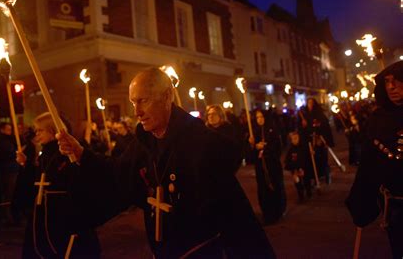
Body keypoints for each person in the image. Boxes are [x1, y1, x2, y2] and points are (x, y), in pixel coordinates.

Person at [57, 67, 275, 258]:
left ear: (168, 96)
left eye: (143, 100)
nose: (137, 111)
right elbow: (118, 172)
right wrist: (82, 154)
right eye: (134, 102)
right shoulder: (144, 143)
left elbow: (233, 216)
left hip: (202, 251)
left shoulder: (201, 143)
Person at [22, 113, 101, 259]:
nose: (37, 134)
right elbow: (37, 177)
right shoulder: (44, 153)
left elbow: (76, 181)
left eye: (41, 130)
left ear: (53, 131)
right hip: (43, 210)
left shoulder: (64, 152)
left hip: (62, 213)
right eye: (36, 130)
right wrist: (26, 164)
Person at [346, 60, 403, 258]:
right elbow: (369, 166)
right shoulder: (379, 120)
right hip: (396, 206)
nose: (391, 87)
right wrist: (362, 199)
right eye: (387, 82)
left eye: (397, 81)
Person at [247, 110, 287, 224]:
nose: (259, 119)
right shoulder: (254, 132)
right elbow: (249, 156)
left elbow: (278, 149)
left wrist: (266, 148)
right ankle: (267, 212)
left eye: (261, 116)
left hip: (272, 166)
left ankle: (277, 211)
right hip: (260, 167)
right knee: (263, 189)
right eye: (257, 117)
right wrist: (253, 146)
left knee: (275, 187)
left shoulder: (273, 130)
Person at [298, 98, 334, 184]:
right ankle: (315, 177)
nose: (310, 105)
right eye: (308, 103)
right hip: (309, 141)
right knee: (311, 161)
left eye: (311, 103)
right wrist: (303, 125)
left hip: (319, 141)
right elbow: (301, 129)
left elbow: (325, 127)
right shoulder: (305, 115)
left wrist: (322, 138)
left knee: (322, 159)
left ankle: (326, 174)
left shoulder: (320, 115)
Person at [284, 131, 313, 202]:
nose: (295, 140)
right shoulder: (290, 149)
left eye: (296, 138)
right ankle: (301, 195)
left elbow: (307, 158)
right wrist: (293, 169)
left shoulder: (303, 147)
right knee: (297, 183)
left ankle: (309, 191)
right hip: (295, 169)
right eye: (293, 139)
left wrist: (312, 153)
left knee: (306, 180)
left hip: (304, 168)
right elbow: (287, 160)